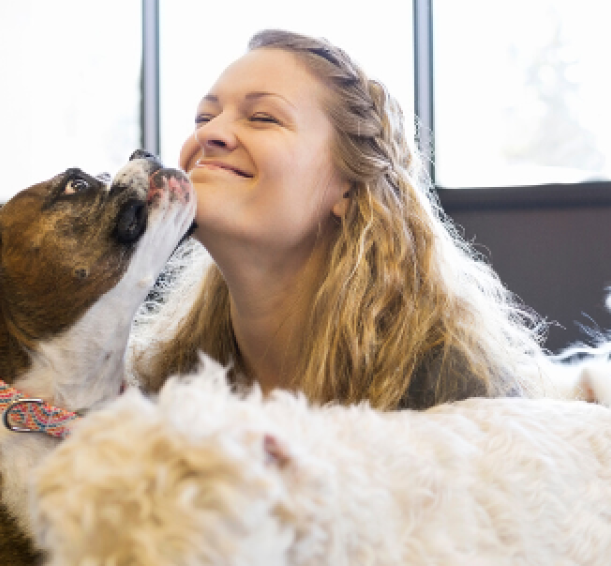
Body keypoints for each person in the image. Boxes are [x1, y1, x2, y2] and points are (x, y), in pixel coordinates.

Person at [132, 30, 542, 410]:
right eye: (204, 118)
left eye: (262, 118)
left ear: (346, 186)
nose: (210, 134)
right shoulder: (158, 378)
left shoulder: (451, 385)